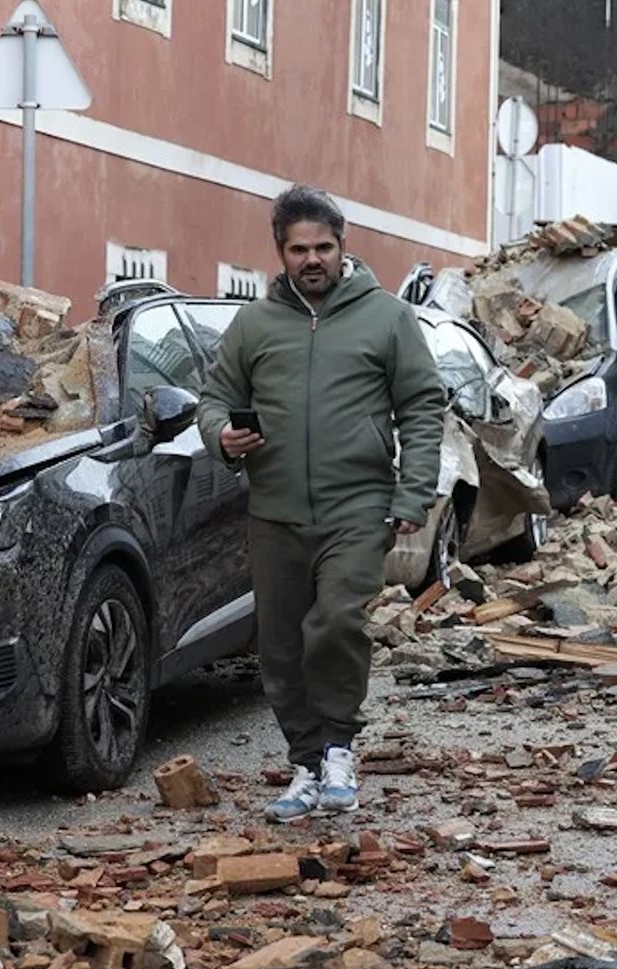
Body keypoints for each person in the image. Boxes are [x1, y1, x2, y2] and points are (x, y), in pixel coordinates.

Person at [197, 185, 445, 821]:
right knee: (279, 647)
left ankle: (339, 747)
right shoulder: (254, 325)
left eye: (324, 247)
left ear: (344, 246)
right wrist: (223, 437)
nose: (313, 259)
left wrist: (412, 490)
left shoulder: (387, 318)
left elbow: (421, 406)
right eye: (298, 249)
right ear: (279, 252)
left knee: (335, 621)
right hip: (274, 509)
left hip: (358, 507)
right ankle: (305, 766)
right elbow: (214, 399)